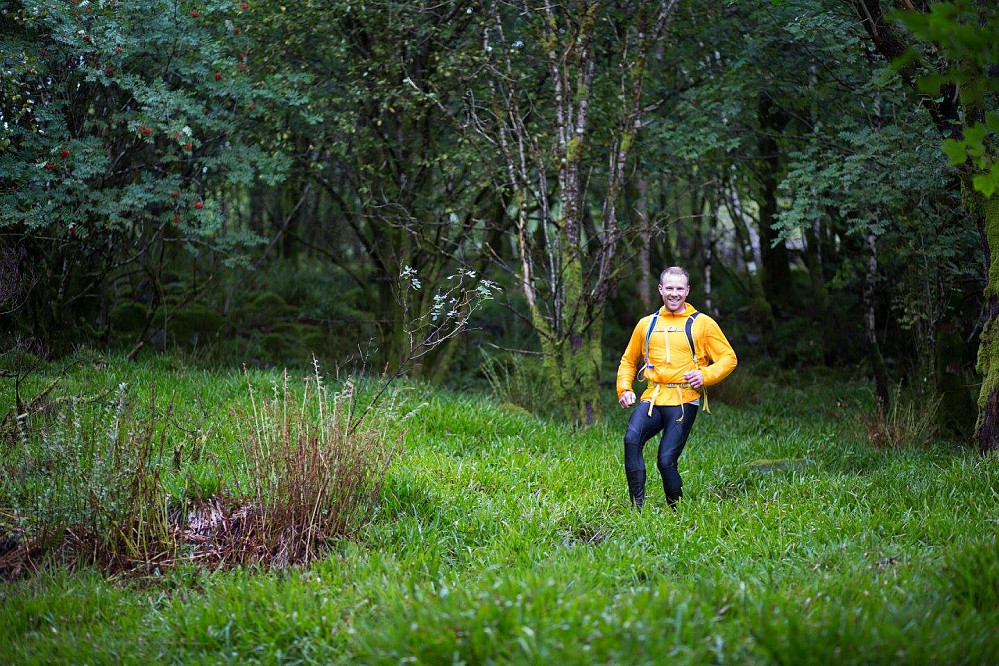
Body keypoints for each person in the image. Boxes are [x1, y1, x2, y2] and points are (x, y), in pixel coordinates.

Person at [616, 267, 737, 510]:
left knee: (666, 460)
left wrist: (705, 375)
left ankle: (676, 511)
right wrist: (624, 389)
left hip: (684, 401)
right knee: (631, 439)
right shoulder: (646, 324)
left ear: (687, 291)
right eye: (669, 288)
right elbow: (628, 360)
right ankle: (636, 510)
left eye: (679, 288)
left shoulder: (702, 324)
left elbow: (728, 358)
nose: (674, 293)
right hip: (654, 397)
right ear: (660, 290)